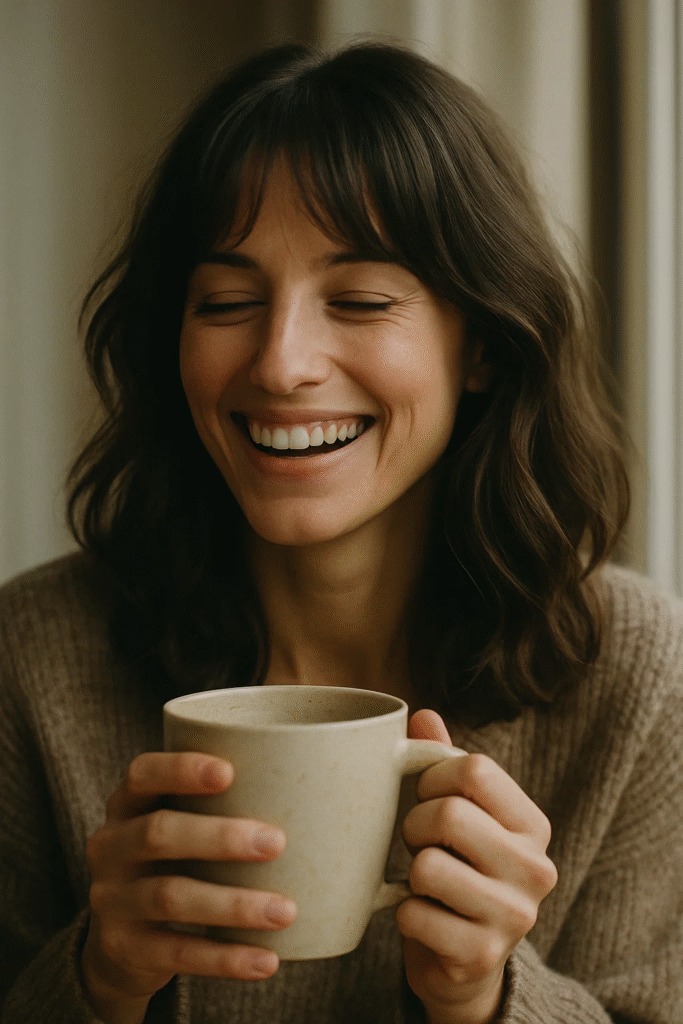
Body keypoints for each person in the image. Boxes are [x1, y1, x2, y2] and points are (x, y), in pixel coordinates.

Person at [0, 39, 681, 1024]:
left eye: (358, 300)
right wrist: (97, 978)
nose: (280, 364)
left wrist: (488, 998)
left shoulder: (634, 677)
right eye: (227, 302)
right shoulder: (31, 657)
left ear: (480, 343)